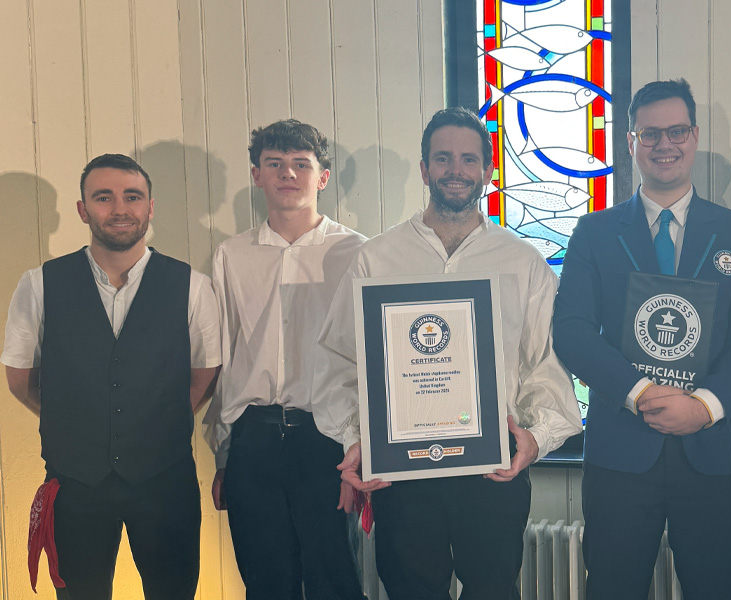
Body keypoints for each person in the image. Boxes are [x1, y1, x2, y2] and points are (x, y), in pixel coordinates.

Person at [319, 107, 583, 600]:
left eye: (468, 159)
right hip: (402, 470)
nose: (455, 170)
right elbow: (340, 363)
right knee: (412, 593)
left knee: (492, 590)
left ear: (487, 170)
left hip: (491, 466)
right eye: (443, 158)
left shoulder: (521, 261)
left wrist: (538, 438)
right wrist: (357, 438)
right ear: (424, 170)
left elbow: (545, 362)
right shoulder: (376, 258)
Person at [552, 79, 731, 599]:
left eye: (676, 131)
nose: (664, 144)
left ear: (694, 137)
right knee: (613, 588)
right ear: (630, 142)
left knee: (718, 589)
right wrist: (644, 395)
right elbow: (573, 332)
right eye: (650, 134)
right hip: (620, 451)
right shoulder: (594, 232)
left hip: (711, 449)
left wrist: (706, 405)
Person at [2, 154, 221, 599]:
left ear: (150, 207)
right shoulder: (40, 283)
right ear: (83, 209)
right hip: (75, 484)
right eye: (103, 197)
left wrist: (149, 424)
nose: (119, 208)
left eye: (132, 197)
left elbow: (205, 373)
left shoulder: (191, 285)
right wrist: (83, 421)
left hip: (165, 481)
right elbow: (20, 375)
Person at [202, 119, 367, 599]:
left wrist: (362, 447)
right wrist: (225, 455)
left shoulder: (356, 252)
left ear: (323, 177)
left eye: (301, 164)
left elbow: (367, 359)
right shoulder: (232, 255)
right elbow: (228, 357)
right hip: (254, 433)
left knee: (333, 575)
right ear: (257, 175)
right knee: (264, 578)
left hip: (328, 435)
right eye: (274, 164)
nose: (287, 174)